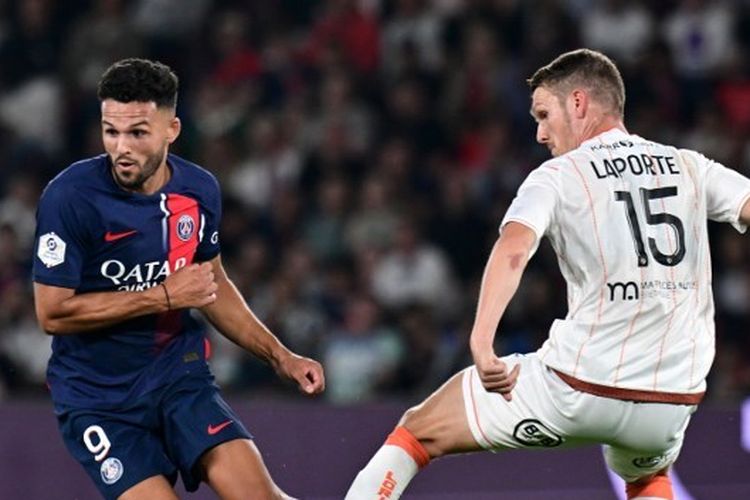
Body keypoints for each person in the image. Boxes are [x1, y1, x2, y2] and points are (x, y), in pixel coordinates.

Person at [345, 48, 750, 500]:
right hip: (673, 400)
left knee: (417, 432)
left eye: (543, 114)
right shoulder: (690, 166)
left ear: (578, 103)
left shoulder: (557, 175)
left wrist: (481, 340)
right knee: (647, 478)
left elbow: (514, 247)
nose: (539, 133)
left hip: (580, 387)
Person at [32, 58, 325, 500]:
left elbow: (212, 285)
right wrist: (163, 295)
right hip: (97, 399)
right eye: (110, 131)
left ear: (171, 130)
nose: (121, 148)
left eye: (137, 133)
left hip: (177, 377)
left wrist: (280, 356)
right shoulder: (70, 198)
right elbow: (52, 313)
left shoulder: (198, 190)